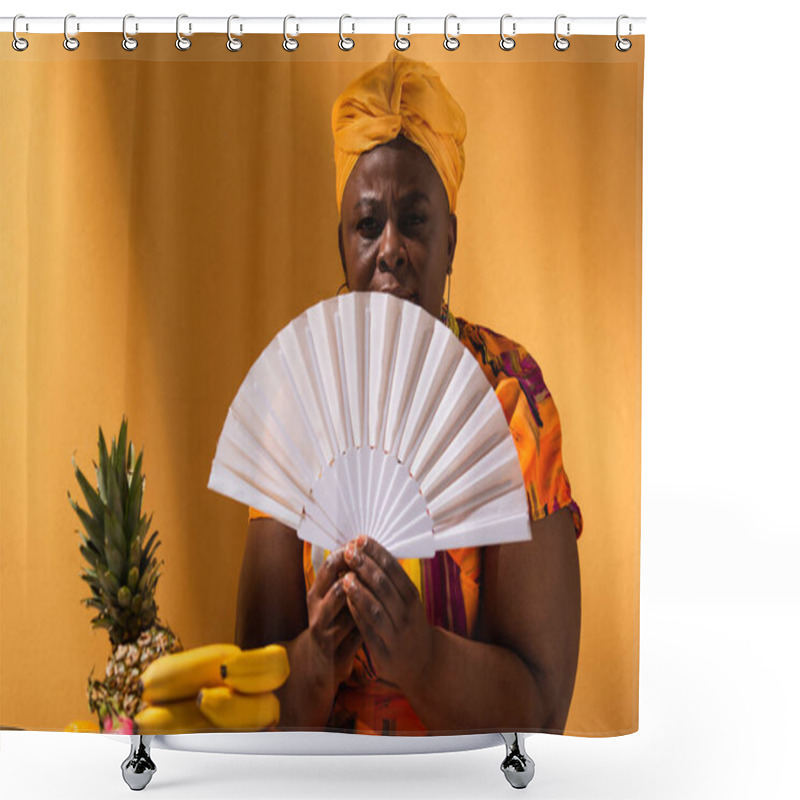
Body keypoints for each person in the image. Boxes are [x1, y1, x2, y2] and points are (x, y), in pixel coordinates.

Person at [235, 51, 582, 736]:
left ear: (451, 241)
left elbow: (545, 707)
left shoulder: (511, 400)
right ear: (342, 244)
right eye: (368, 225)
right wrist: (315, 660)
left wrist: (420, 659)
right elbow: (247, 704)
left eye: (415, 221)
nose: (390, 249)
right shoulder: (295, 406)